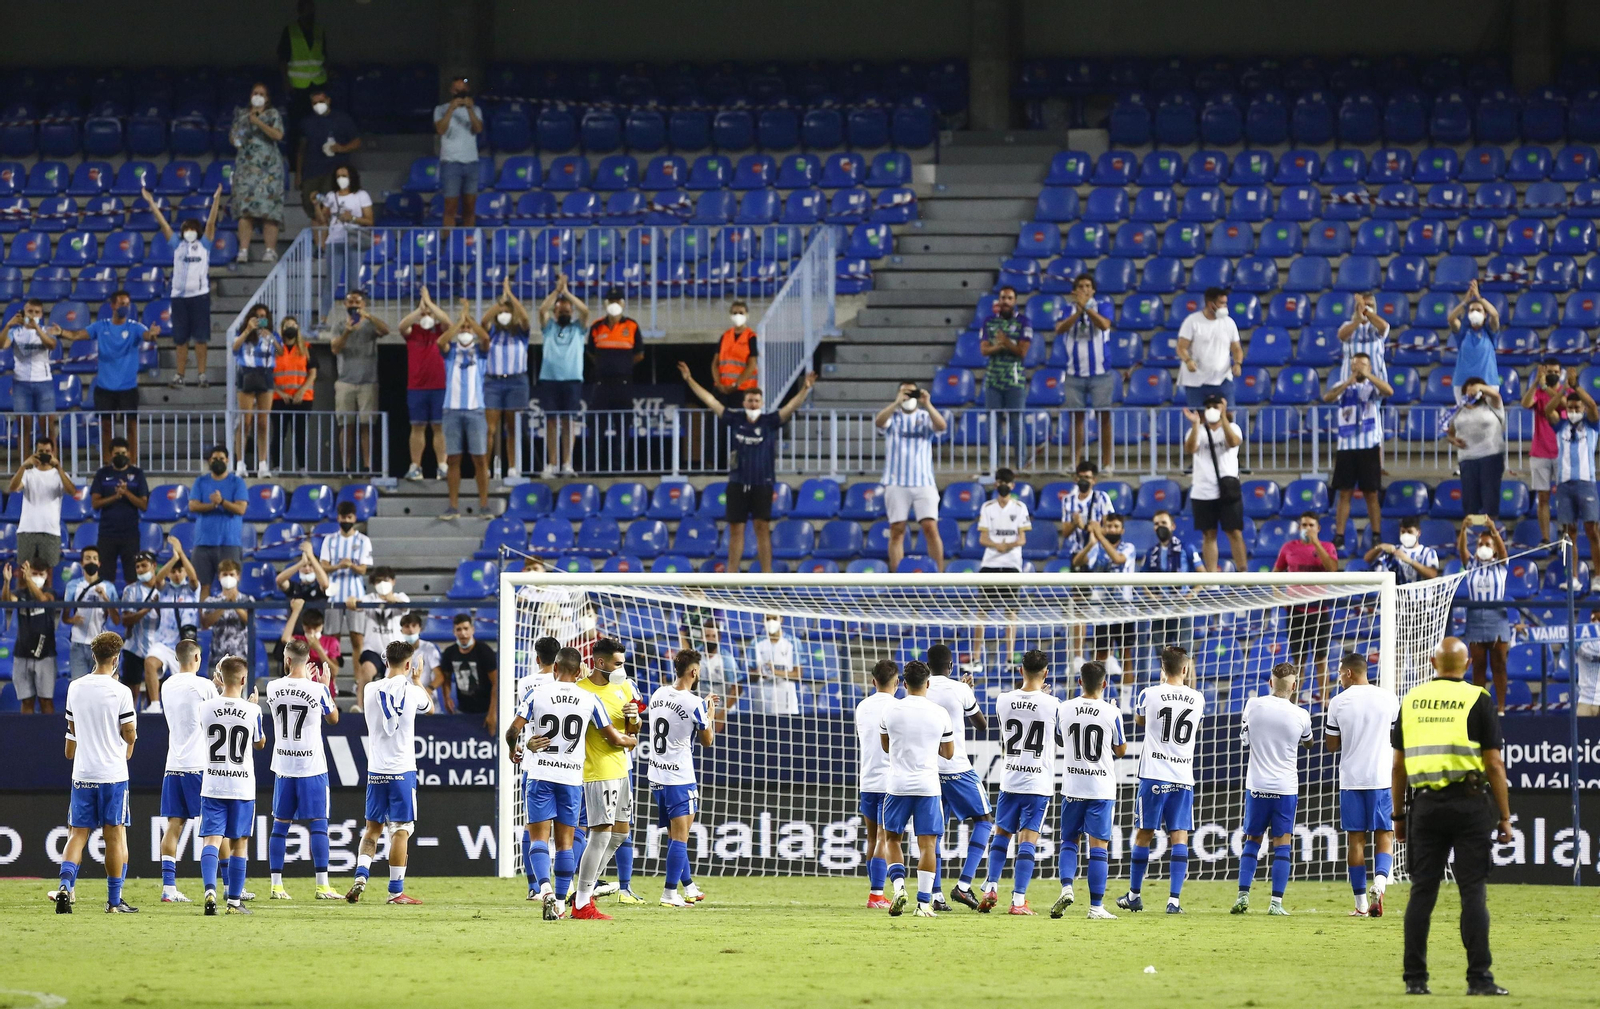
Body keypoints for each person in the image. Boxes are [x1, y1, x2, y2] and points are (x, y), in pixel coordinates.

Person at [1393, 637, 1512, 997]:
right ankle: (1479, 979)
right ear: (1465, 665)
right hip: (1470, 803)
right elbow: (1493, 762)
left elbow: (1398, 766)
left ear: (1433, 662)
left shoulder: (1411, 700)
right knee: (1472, 891)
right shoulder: (1479, 698)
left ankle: (1415, 979)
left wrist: (1399, 815)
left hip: (1425, 807)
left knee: (1422, 892)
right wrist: (1504, 816)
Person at [506, 645, 634, 919]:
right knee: (566, 842)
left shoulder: (536, 693)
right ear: (579, 672)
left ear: (554, 668)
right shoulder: (589, 699)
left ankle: (545, 890)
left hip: (540, 775)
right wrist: (631, 740)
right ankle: (562, 905)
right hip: (571, 778)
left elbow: (512, 730)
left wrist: (516, 746)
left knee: (538, 838)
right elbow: (613, 737)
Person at [678, 360, 817, 572]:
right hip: (737, 483)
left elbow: (791, 407)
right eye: (750, 400)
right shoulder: (734, 419)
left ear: (762, 403)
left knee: (762, 529)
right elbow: (710, 400)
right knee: (736, 529)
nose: (753, 404)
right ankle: (732, 575)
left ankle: (767, 576)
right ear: (744, 403)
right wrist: (690, 380)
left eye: (756, 401)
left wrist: (805, 388)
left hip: (763, 483)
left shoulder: (770, 421)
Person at [54, 630, 138, 914]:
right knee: (114, 836)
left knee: (77, 834)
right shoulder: (122, 692)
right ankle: (114, 902)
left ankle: (65, 887)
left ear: (93, 655)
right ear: (115, 659)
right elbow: (129, 734)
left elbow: (73, 731)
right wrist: (130, 739)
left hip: (83, 773)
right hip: (112, 775)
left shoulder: (75, 687)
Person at [1119, 645, 1204, 915]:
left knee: (1144, 834)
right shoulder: (1198, 698)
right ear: (1185, 668)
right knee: (1180, 835)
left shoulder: (1149, 694)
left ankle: (1134, 895)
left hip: (1154, 774)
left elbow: (1140, 720)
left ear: (1162, 668)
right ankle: (1174, 901)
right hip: (1183, 776)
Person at [349, 640, 432, 905]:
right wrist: (417, 680)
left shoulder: (371, 688)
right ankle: (395, 891)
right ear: (408, 664)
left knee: (372, 829)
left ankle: (361, 877)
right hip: (402, 771)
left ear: (385, 662)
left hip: (376, 771)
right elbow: (429, 707)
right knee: (401, 830)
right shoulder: (413, 691)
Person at [1231, 662, 1314, 916]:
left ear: (1270, 683)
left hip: (1257, 786)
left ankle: (1243, 896)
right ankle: (1276, 903)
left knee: (1252, 840)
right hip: (1285, 788)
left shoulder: (1253, 705)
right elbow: (1309, 743)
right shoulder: (1302, 715)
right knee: (1282, 844)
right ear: (1295, 686)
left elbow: (1244, 738)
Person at [980, 648, 1057, 915]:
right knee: (1028, 840)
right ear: (1046, 672)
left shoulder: (1003, 700)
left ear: (1020, 670)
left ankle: (991, 885)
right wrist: (1043, 700)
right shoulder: (1053, 704)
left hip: (1010, 778)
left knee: (1001, 834)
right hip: (1037, 782)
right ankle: (1018, 901)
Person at [570, 638, 643, 920]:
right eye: (617, 663)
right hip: (598, 770)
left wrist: (634, 718)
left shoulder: (624, 686)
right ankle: (583, 901)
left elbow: (635, 729)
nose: (622, 668)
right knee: (600, 833)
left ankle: (583, 892)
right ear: (600, 663)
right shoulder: (581, 691)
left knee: (621, 833)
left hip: (622, 768)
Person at [1325, 650, 1400, 917]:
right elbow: (1395, 737)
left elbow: (1332, 745)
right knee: (1385, 836)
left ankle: (1360, 905)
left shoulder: (1338, 702)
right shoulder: (1389, 699)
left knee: (1356, 841)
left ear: (1348, 672)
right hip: (1381, 778)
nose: (1339, 679)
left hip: (1352, 780)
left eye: (1340, 674)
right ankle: (1379, 885)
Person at [879, 659, 955, 918]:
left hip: (897, 785)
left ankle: (899, 887)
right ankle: (923, 904)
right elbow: (948, 752)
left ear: (904, 683)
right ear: (928, 683)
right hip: (928, 786)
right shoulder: (940, 712)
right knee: (927, 845)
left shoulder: (891, 710)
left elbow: (886, 746)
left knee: (891, 839)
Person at [1053, 659, 1127, 920]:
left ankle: (1066, 888)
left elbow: (1060, 740)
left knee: (1069, 841)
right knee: (1098, 847)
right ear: (1105, 684)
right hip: (1100, 788)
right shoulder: (1111, 712)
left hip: (1073, 786)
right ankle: (1096, 907)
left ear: (1079, 681)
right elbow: (1121, 749)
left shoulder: (1064, 708)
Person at [266, 638, 339, 901]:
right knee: (319, 824)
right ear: (309, 661)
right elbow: (333, 719)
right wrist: (324, 686)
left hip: (284, 766)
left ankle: (276, 886)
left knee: (280, 827)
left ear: (286, 660)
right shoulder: (317, 690)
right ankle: (322, 886)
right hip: (311, 766)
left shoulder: (272, 687)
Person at [649, 649, 722, 908]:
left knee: (674, 833)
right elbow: (707, 741)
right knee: (680, 837)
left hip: (656, 776)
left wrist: (701, 707)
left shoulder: (658, 693)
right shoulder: (695, 704)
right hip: (679, 778)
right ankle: (670, 893)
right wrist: (709, 714)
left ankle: (688, 887)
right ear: (693, 672)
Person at [925, 643, 991, 912]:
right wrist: (968, 694)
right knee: (985, 821)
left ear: (927, 667)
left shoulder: (920, 688)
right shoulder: (960, 689)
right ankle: (963, 886)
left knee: (934, 834)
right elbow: (981, 725)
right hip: (957, 769)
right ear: (951, 666)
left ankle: (937, 895)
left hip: (930, 771)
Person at [197, 655, 265, 916]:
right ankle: (234, 902)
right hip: (241, 786)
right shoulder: (253, 710)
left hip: (213, 783)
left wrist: (219, 689)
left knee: (211, 840)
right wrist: (250, 707)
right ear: (245, 679)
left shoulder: (205, 707)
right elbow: (259, 743)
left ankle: (210, 891)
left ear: (219, 678)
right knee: (239, 843)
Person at [141, 182, 224, 388]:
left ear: (196, 231)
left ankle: (202, 375)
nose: (188, 231)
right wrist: (151, 202)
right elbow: (164, 225)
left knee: (201, 339)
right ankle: (180, 375)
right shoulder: (177, 246)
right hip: (178, 298)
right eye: (185, 229)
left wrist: (216, 201)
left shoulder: (204, 246)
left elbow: (211, 224)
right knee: (180, 340)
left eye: (191, 229)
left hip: (200, 297)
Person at [154, 639, 214, 903]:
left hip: (173, 766)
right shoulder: (205, 685)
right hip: (198, 765)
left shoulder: (166, 685)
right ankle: (224, 887)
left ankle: (168, 888)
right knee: (212, 828)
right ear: (197, 658)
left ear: (178, 660)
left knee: (173, 826)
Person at [1322, 351, 1393, 551]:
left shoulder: (1373, 386)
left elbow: (1389, 391)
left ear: (1370, 367)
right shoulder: (1342, 385)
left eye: (1363, 364)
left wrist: (1369, 376)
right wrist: (1348, 382)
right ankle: (1340, 535)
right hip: (1347, 446)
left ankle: (1377, 534)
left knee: (1371, 493)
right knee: (1344, 493)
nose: (1358, 367)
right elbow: (1327, 397)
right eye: (1355, 364)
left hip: (1368, 445)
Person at [78, 291, 158, 461]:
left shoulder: (135, 327)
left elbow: (147, 336)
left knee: (131, 426)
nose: (125, 307)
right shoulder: (101, 326)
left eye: (127, 304)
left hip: (128, 388)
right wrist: (62, 331)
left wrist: (152, 334)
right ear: (113, 306)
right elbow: (78, 335)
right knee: (106, 427)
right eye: (121, 304)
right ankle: (107, 462)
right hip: (104, 388)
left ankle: (133, 462)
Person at [876, 381, 946, 572]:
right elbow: (879, 422)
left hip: (923, 481)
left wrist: (928, 404)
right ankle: (899, 577)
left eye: (911, 393)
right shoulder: (893, 417)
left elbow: (941, 426)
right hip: (896, 481)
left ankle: (939, 576)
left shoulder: (925, 416)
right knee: (897, 530)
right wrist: (896, 403)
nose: (907, 397)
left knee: (930, 527)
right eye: (903, 393)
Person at [1274, 513, 1340, 702]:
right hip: (1296, 611)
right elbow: (1274, 575)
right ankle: (1293, 702)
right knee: (1298, 661)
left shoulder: (1327, 547)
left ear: (1318, 528)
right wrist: (1280, 597)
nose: (1307, 528)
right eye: (1304, 524)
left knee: (1321, 660)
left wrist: (1316, 543)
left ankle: (1325, 701)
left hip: (1319, 611)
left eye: (1311, 525)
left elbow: (1332, 569)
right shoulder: (1288, 548)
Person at [1053, 274, 1114, 472]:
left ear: (1093, 290)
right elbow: (1059, 329)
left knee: (1103, 417)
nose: (1084, 289)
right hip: (1074, 372)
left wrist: (1086, 308)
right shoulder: (1066, 309)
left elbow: (1104, 325)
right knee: (1076, 418)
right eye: (1080, 286)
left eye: (1088, 286)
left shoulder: (1103, 305)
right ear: (1074, 291)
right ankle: (1075, 462)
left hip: (1100, 372)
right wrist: (1078, 312)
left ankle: (1107, 463)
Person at [437, 300, 492, 520]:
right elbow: (441, 340)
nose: (466, 331)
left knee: (480, 459)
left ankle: (485, 505)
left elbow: (486, 338)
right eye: (463, 329)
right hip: (451, 410)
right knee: (453, 459)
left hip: (475, 410)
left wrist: (469, 319)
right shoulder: (450, 353)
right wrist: (459, 321)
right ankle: (453, 507)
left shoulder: (480, 352)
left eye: (469, 329)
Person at [855, 658, 901, 910]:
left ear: (873, 681)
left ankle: (876, 892)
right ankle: (876, 895)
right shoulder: (898, 707)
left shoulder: (862, 706)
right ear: (897, 683)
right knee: (886, 837)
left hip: (867, 780)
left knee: (872, 838)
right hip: (889, 781)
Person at [1185, 396, 1247, 572]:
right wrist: (1196, 424)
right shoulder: (1196, 430)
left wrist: (1224, 418)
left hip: (1227, 489)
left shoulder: (1233, 427)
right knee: (1209, 534)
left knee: (1234, 532)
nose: (1212, 409)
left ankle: (1243, 574)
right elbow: (1190, 449)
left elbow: (1233, 442)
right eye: (1209, 406)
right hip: (1202, 490)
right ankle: (1212, 577)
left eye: (1216, 406)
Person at [1545, 385, 1600, 580]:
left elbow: (1593, 405)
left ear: (1583, 409)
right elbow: (1547, 410)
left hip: (1586, 482)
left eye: (1577, 408)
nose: (1573, 412)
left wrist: (1575, 386)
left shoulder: (1592, 425)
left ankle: (1598, 577)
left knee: (1592, 531)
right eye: (1570, 408)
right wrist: (1562, 392)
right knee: (1570, 534)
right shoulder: (1561, 425)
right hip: (1564, 484)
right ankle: (1573, 579)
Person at [536, 276, 589, 478]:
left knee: (568, 422)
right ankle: (552, 464)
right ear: (556, 312)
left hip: (572, 380)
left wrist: (567, 294)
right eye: (561, 310)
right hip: (549, 380)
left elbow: (585, 311)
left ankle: (567, 464)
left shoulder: (578, 328)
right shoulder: (549, 327)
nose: (565, 312)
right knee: (550, 422)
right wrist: (556, 293)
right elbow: (542, 311)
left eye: (568, 310)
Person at [1074, 512, 1136, 682]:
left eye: (1116, 526)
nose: (1112, 529)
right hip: (1101, 611)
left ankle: (1126, 705)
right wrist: (1090, 544)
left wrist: (1099, 535)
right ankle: (1097, 698)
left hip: (1124, 608)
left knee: (1126, 654)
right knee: (1100, 655)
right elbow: (1077, 562)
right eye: (1108, 526)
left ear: (1122, 530)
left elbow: (1117, 559)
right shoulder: (1097, 548)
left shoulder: (1128, 548)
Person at [976, 468, 1030, 664]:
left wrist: (1007, 545)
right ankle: (975, 657)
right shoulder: (987, 507)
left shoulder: (1020, 507)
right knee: (982, 611)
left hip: (1012, 565)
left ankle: (1009, 658)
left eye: (1007, 483)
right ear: (996, 484)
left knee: (1011, 612)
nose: (1003, 486)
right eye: (1000, 482)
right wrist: (996, 545)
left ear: (1012, 485)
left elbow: (1022, 538)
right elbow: (983, 538)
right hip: (990, 563)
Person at [1458, 516, 1511, 713]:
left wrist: (1493, 530)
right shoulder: (1471, 564)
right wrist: (1463, 529)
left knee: (1499, 665)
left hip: (1497, 618)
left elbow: (1504, 551)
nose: (1483, 546)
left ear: (1494, 548)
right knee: (1478, 666)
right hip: (1475, 619)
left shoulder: (1502, 564)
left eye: (1487, 544)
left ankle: (1501, 708)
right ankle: (1479, 708)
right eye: (1480, 543)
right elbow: (1462, 550)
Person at [482, 277, 533, 481]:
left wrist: (510, 297)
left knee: (513, 427)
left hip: (516, 382)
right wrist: (499, 304)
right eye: (501, 312)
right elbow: (484, 321)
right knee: (489, 428)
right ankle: (485, 468)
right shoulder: (491, 332)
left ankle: (513, 466)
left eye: (506, 312)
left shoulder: (521, 333)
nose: (503, 315)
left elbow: (526, 319)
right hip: (493, 382)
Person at [331, 289, 386, 473]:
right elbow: (335, 349)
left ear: (363, 304)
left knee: (366, 425)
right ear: (345, 305)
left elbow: (385, 330)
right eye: (350, 301)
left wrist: (368, 316)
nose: (354, 304)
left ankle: (367, 465)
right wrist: (347, 331)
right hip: (345, 381)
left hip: (368, 382)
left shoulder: (370, 325)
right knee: (345, 426)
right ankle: (345, 467)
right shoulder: (339, 325)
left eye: (357, 301)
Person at [229, 82, 285, 264]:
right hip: (246, 170)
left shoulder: (272, 114)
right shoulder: (242, 115)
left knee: (269, 211)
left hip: (269, 170)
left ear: (267, 98)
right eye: (255, 92)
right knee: (245, 212)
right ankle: (243, 250)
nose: (258, 96)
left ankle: (270, 250)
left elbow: (278, 135)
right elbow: (235, 140)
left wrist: (259, 122)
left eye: (262, 93)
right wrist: (244, 125)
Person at [401, 287, 451, 482]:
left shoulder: (440, 331)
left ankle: (442, 466)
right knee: (417, 427)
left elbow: (447, 321)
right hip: (416, 387)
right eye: (425, 312)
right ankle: (415, 467)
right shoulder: (412, 332)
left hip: (439, 386)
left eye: (430, 313)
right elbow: (401, 326)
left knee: (439, 427)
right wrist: (419, 311)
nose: (427, 315)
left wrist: (430, 304)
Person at [1143, 508, 1205, 662]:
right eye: (1157, 524)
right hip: (1160, 610)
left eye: (1164, 523)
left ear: (1172, 526)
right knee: (1163, 658)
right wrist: (1151, 596)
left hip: (1182, 609)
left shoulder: (1187, 548)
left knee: (1185, 658)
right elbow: (1140, 579)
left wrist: (1191, 594)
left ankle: (1189, 687)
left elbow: (1203, 575)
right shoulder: (1151, 553)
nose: (1160, 526)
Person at [980, 285, 1032, 467]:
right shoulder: (989, 322)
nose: (1006, 301)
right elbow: (984, 349)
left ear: (1015, 301)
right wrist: (1001, 346)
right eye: (1003, 298)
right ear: (999, 300)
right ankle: (994, 466)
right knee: (993, 426)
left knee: (1017, 425)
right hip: (993, 380)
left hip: (1015, 381)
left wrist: (1005, 342)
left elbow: (1022, 352)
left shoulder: (1024, 322)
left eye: (1010, 298)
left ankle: (1020, 466)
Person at [1, 299, 61, 454]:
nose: (33, 315)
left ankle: (53, 464)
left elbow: (51, 345)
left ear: (41, 315)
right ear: (24, 312)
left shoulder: (46, 330)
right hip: (21, 383)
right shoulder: (15, 332)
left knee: (48, 427)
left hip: (44, 383)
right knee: (23, 427)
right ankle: (25, 465)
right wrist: (7, 325)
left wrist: (37, 329)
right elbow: (2, 345)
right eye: (30, 312)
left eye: (37, 312)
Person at [232, 303, 283, 478]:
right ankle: (240, 463)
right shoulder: (243, 333)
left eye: (264, 316)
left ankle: (263, 464)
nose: (261, 319)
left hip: (266, 375)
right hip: (246, 373)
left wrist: (271, 338)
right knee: (245, 421)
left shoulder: (272, 334)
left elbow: (281, 352)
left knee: (263, 422)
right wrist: (248, 330)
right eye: (257, 316)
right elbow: (234, 348)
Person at [1523, 359, 1571, 544]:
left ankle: (1566, 534)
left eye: (1556, 371)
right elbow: (1526, 403)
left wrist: (1545, 386)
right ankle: (1545, 538)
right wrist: (1536, 383)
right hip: (1539, 451)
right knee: (1542, 497)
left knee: (1565, 497)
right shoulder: (1539, 391)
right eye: (1549, 371)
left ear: (1561, 373)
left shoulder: (1566, 390)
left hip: (1562, 451)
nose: (1553, 374)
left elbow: (1565, 404)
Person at [188, 445, 247, 592]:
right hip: (203, 543)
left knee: (230, 587)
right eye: (215, 459)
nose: (218, 461)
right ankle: (203, 616)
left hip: (229, 543)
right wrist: (213, 505)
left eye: (221, 458)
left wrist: (222, 502)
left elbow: (241, 509)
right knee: (200, 589)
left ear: (227, 460)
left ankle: (230, 616)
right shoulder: (200, 481)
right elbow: (193, 506)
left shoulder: (237, 482)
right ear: (209, 461)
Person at [319, 499, 372, 662]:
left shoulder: (363, 540)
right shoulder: (330, 540)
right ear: (338, 518)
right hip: (334, 594)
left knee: (357, 640)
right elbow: (323, 566)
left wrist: (351, 566)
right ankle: (331, 680)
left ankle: (358, 683)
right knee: (332, 640)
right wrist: (339, 566)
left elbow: (364, 569)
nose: (346, 521)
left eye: (349, 517)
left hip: (355, 596)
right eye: (343, 517)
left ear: (354, 518)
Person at [314, 163, 372, 309]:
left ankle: (355, 316)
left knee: (353, 281)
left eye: (344, 176)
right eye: (338, 176)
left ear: (351, 177)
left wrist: (351, 218)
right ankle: (323, 319)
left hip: (355, 241)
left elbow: (370, 220)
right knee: (330, 282)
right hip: (334, 241)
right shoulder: (331, 195)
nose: (341, 179)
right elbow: (323, 219)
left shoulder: (361, 195)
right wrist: (316, 205)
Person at [90, 437, 148, 584]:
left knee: (132, 576)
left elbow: (143, 505)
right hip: (107, 534)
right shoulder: (102, 474)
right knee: (104, 578)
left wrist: (126, 493)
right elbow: (95, 503)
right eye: (116, 454)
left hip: (130, 534)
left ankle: (133, 607)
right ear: (110, 455)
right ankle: (106, 606)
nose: (120, 456)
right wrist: (115, 496)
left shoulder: (137, 474)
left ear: (128, 454)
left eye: (123, 453)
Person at [348, 565, 409, 704]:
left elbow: (404, 605)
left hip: (395, 652)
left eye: (386, 579)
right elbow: (357, 604)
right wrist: (352, 600)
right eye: (378, 581)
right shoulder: (369, 598)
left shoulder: (401, 597)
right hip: (373, 650)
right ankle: (360, 708)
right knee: (366, 671)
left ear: (393, 581)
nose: (382, 583)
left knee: (395, 684)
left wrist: (392, 600)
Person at [11, 434, 72, 571]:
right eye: (41, 452)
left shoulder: (60, 475)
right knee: (24, 572)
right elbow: (13, 488)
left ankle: (47, 594)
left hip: (50, 530)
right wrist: (23, 467)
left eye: (47, 452)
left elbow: (71, 491)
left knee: (48, 571)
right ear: (35, 453)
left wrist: (59, 468)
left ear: (53, 453)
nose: (44, 454)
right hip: (27, 529)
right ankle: (23, 593)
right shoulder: (28, 473)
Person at [1449, 377, 1508, 519]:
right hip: (1467, 459)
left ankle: (1490, 534)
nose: (1471, 393)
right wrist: (1453, 440)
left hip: (1491, 456)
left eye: (1473, 390)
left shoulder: (1492, 405)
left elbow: (1496, 395)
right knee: (1470, 502)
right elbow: (1450, 433)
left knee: (1490, 500)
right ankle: (1472, 535)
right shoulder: (1458, 411)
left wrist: (1480, 387)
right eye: (1468, 390)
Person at [5, 558, 58, 713]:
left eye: (40, 574)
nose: (36, 577)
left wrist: (29, 579)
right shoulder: (20, 594)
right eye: (33, 573)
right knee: (27, 701)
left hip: (45, 655)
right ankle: (27, 735)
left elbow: (42, 600)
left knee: (46, 701)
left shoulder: (50, 593)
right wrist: (7, 583)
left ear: (46, 576)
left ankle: (50, 735)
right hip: (22, 654)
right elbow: (7, 600)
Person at [297, 88, 360, 216]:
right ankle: (318, 237)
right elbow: (301, 150)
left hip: (334, 171)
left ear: (328, 100)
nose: (318, 105)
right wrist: (299, 174)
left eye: (321, 101)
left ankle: (331, 236)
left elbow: (357, 141)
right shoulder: (306, 122)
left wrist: (342, 148)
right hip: (312, 172)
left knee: (331, 210)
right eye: (315, 103)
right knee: (313, 210)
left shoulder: (342, 119)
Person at [1176, 286, 1242, 408]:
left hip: (1222, 379)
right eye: (1222, 303)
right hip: (1195, 381)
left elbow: (1236, 348)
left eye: (1225, 303)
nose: (1225, 306)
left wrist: (1237, 363)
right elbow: (1181, 347)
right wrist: (1188, 361)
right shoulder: (1192, 321)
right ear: (1210, 304)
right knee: (1198, 419)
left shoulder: (1229, 323)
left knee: (1228, 416)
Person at [117, 551, 165, 712]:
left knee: (157, 695)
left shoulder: (164, 590)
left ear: (153, 566)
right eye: (137, 567)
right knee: (131, 694)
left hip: (158, 648)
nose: (140, 569)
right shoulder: (130, 591)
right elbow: (126, 620)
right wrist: (148, 608)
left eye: (144, 565)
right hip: (134, 647)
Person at [433, 77, 483, 229]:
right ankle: (448, 245)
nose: (459, 93)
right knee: (450, 208)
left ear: (467, 90)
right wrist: (451, 109)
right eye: (456, 89)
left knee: (469, 208)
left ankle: (468, 244)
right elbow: (440, 130)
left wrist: (469, 109)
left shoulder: (476, 109)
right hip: (451, 163)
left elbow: (478, 129)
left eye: (462, 89)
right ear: (451, 91)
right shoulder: (440, 109)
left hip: (471, 163)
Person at [277, 0, 327, 154]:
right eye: (307, 10)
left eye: (312, 10)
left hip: (318, 84)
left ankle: (317, 156)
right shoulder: (291, 31)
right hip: (298, 87)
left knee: (319, 123)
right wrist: (286, 81)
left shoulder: (319, 30)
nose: (310, 13)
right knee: (298, 126)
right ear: (300, 11)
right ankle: (295, 163)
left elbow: (323, 56)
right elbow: (282, 58)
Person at [438, 612, 498, 732]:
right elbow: (446, 677)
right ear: (454, 632)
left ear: (472, 630)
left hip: (486, 709)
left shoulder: (484, 651)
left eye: (466, 628)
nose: (463, 633)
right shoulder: (450, 652)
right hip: (463, 710)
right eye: (458, 629)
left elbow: (496, 683)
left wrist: (492, 712)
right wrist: (447, 697)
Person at [63, 546, 115, 681]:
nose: (91, 561)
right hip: (78, 643)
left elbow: (116, 619)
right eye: (87, 558)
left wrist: (105, 598)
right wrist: (72, 619)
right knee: (78, 687)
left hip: (100, 644)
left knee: (102, 687)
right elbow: (65, 617)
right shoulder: (72, 586)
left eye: (94, 558)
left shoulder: (109, 587)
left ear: (99, 563)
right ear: (82, 563)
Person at [271, 315, 316, 472]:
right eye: (287, 325)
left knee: (301, 434)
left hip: (302, 399)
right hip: (279, 399)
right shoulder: (277, 348)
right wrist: (280, 392)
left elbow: (313, 373)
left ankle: (302, 467)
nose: (290, 327)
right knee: (278, 434)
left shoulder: (306, 347)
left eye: (293, 325)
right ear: (282, 329)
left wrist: (301, 391)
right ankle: (276, 466)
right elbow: (268, 373)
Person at [588, 287, 643, 409]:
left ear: (623, 303)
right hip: (601, 381)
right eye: (611, 301)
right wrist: (603, 364)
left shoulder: (632, 325)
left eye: (617, 301)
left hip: (623, 381)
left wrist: (624, 365)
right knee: (597, 419)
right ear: (606, 303)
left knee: (623, 420)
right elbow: (591, 352)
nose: (614, 304)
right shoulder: (596, 326)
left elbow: (639, 354)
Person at [1448, 280, 1501, 402]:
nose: (1475, 312)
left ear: (1484, 314)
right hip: (1462, 383)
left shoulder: (1490, 332)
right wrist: (1465, 301)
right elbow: (1451, 319)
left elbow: (1495, 315)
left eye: (1479, 310)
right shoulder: (1463, 333)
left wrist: (1479, 298)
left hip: (1488, 382)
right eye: (1472, 310)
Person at [679, 613, 742, 713]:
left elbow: (737, 688)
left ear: (719, 638)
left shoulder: (727, 659)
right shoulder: (695, 659)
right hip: (700, 710)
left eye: (714, 636)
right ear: (702, 637)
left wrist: (723, 713)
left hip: (722, 710)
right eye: (707, 636)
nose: (711, 639)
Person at [200, 559, 253, 662]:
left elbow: (250, 621)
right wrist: (224, 605)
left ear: (238, 576)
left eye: (231, 574)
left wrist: (234, 604)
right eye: (225, 574)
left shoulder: (248, 600)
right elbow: (206, 623)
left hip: (240, 656)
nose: (228, 577)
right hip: (217, 657)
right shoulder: (211, 601)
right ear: (219, 577)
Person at [748, 613, 800, 715]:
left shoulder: (793, 642)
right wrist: (758, 673)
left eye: (774, 618)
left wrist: (774, 671)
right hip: (763, 703)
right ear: (763, 621)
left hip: (786, 703)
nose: (771, 622)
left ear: (781, 619)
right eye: (768, 619)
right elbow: (751, 676)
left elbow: (798, 674)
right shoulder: (756, 643)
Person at [1366, 516, 1441, 584]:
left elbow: (1432, 575)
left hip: (1423, 598)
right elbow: (1367, 559)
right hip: (1399, 597)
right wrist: (1380, 547)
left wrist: (1409, 561)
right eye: (1403, 532)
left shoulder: (1428, 552)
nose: (1406, 535)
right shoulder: (1394, 550)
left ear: (1418, 533)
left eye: (1409, 532)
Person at [713, 300, 759, 408]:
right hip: (722, 390)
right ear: (730, 316)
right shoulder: (725, 336)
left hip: (743, 390)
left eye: (741, 313)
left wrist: (736, 384)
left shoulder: (751, 337)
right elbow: (715, 363)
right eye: (734, 313)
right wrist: (719, 384)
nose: (738, 315)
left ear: (747, 315)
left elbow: (752, 365)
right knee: (716, 422)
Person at [1337, 291, 1391, 383]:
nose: (1366, 308)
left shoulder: (1376, 326)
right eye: (1362, 305)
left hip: (1375, 381)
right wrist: (1358, 320)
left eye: (1369, 305)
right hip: (1350, 380)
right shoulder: (1348, 325)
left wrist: (1365, 311)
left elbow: (1384, 327)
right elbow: (1341, 336)